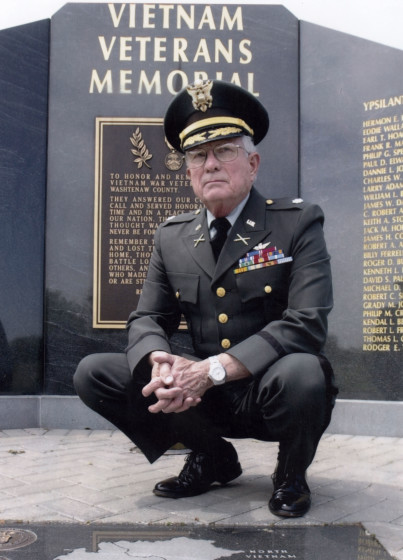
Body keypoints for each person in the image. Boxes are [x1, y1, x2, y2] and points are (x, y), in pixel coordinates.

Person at [74, 79, 337, 518]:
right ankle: (212, 457)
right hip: (201, 401)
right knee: (94, 372)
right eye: (198, 156)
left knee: (306, 372)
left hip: (267, 391)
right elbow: (147, 318)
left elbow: (306, 322)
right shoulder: (172, 236)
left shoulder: (297, 223)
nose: (211, 164)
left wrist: (211, 371)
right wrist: (159, 360)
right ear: (190, 173)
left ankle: (291, 474)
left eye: (226, 151)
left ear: (252, 163)